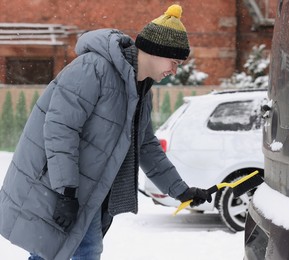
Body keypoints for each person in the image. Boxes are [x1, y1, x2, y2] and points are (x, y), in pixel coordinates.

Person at [0, 4, 211, 260]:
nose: (174, 71)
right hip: (57, 187)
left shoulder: (140, 89)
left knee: (59, 254)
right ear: (156, 52)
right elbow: (60, 129)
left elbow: (144, 145)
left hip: (91, 192)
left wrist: (180, 190)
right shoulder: (94, 68)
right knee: (69, 253)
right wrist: (65, 191)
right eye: (174, 62)